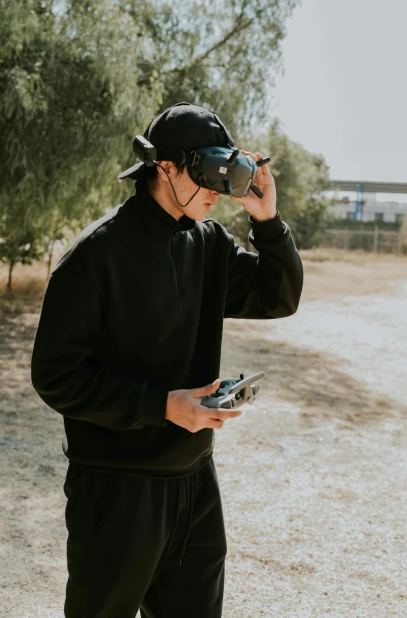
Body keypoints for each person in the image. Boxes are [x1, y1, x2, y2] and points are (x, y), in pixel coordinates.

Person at [31, 101, 304, 618]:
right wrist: (162, 406)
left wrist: (267, 220)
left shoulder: (209, 243)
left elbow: (278, 296)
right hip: (117, 489)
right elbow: (55, 375)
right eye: (206, 175)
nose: (218, 192)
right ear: (166, 167)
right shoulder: (96, 255)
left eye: (226, 175)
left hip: (195, 481)